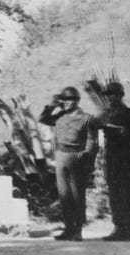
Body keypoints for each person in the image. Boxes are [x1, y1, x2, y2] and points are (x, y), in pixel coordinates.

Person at [39, 86, 99, 241]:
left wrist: (88, 160)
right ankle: (68, 229)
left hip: (77, 157)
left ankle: (77, 231)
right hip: (61, 156)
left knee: (77, 195)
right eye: (64, 99)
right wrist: (53, 104)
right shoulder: (59, 116)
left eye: (71, 99)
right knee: (64, 195)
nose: (67, 102)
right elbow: (43, 119)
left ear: (77, 100)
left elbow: (92, 141)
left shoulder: (86, 118)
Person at [97, 82, 130, 241]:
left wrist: (127, 132)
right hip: (112, 158)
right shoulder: (105, 114)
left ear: (121, 95)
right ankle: (118, 227)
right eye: (109, 94)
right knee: (115, 192)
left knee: (127, 193)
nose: (111, 97)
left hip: (127, 159)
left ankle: (128, 229)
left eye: (115, 94)